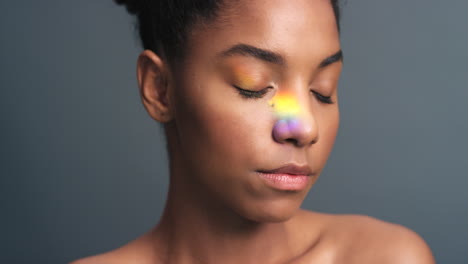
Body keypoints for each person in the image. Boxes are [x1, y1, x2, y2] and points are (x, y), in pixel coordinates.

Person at [71, 0, 435, 263]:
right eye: (254, 85)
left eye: (322, 89)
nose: (304, 128)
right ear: (159, 88)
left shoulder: (386, 257)